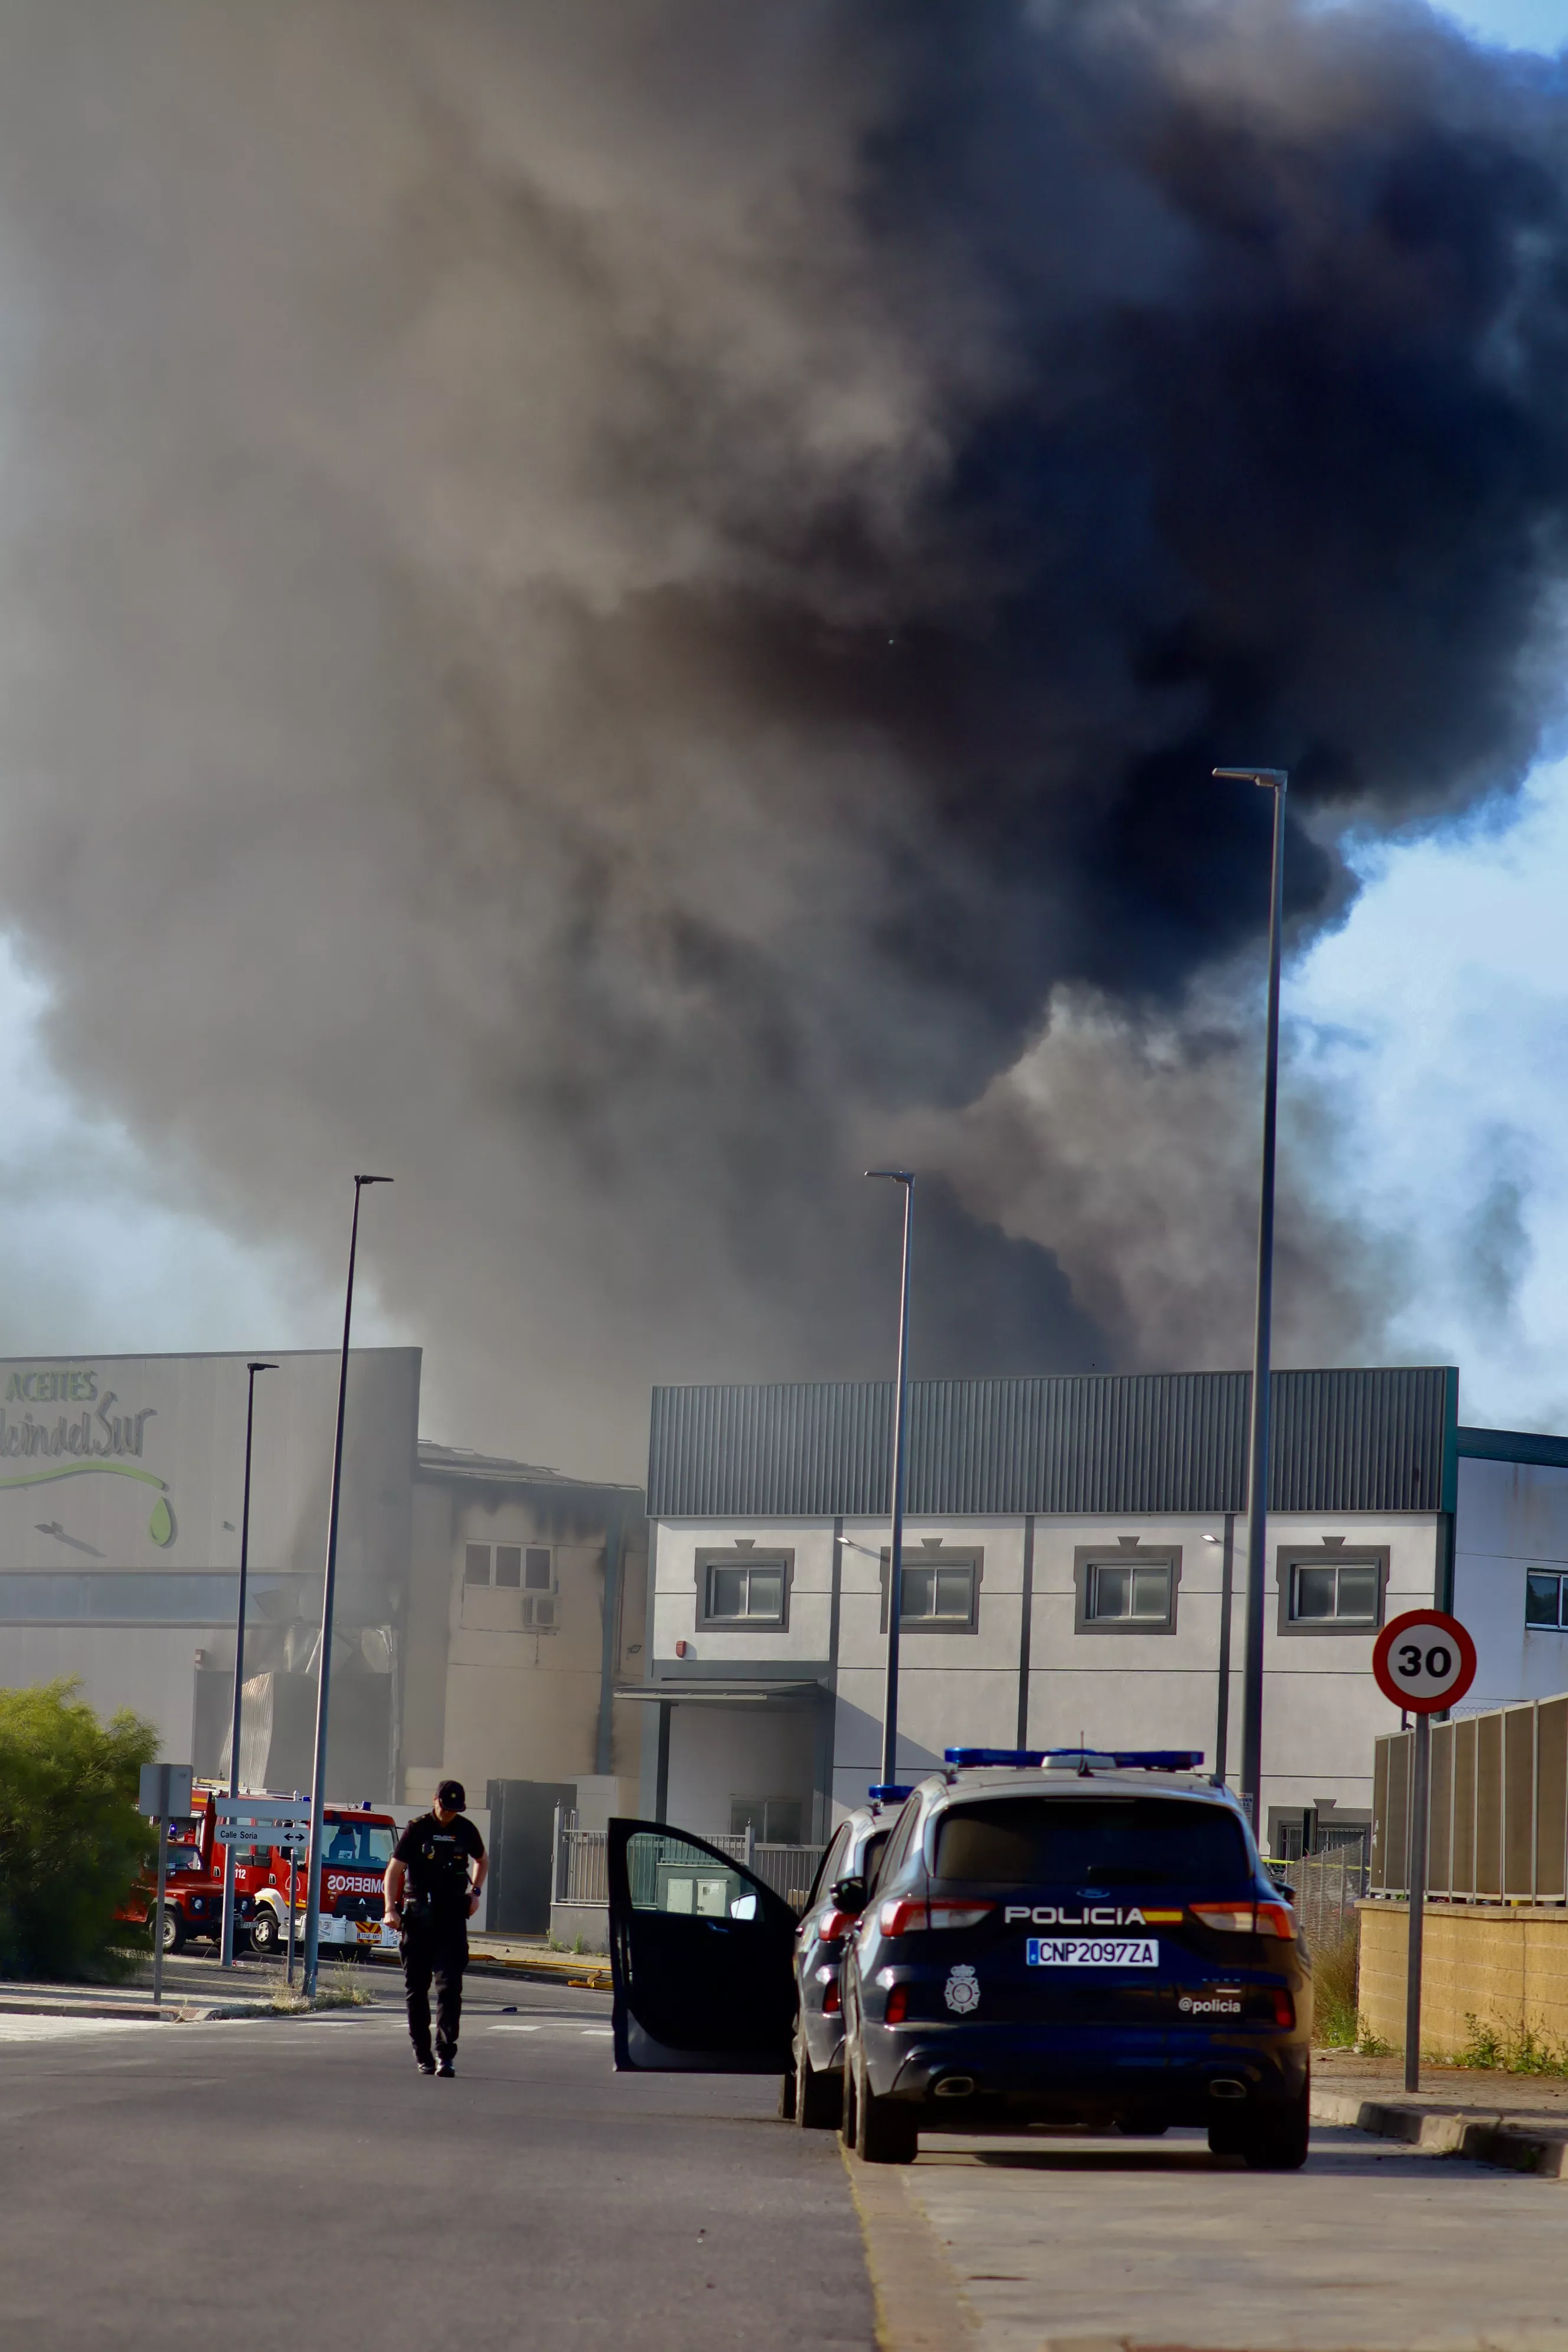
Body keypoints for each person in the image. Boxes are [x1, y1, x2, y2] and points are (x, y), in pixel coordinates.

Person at [383, 1779, 486, 2077]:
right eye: (444, 1808)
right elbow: (394, 1871)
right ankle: (423, 2053)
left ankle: (446, 2055)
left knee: (450, 1988)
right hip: (417, 1918)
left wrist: (476, 1893)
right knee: (417, 1990)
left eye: (454, 1810)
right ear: (435, 1801)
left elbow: (482, 1860)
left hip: (452, 1918)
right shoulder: (417, 1829)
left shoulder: (466, 1829)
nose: (448, 1815)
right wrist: (391, 1909)